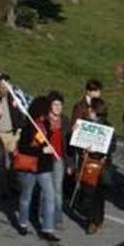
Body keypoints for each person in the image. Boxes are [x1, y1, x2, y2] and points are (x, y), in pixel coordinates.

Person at [14, 97, 56, 240]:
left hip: (44, 166)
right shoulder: (29, 126)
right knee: (27, 196)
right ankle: (23, 223)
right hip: (30, 165)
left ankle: (47, 229)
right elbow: (23, 148)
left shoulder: (46, 124)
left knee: (50, 196)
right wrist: (42, 151)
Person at [77, 98, 113, 234]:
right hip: (87, 163)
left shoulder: (107, 127)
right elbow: (76, 144)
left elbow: (111, 146)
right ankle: (94, 218)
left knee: (99, 194)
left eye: (91, 109)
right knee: (88, 192)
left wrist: (97, 150)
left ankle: (96, 220)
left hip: (101, 165)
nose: (88, 111)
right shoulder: (85, 124)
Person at [42, 91, 71, 231]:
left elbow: (70, 144)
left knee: (58, 190)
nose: (58, 107)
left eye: (60, 104)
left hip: (59, 159)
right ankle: (44, 215)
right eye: (55, 104)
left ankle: (58, 219)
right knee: (45, 190)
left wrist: (74, 133)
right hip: (45, 159)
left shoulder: (65, 120)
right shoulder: (43, 120)